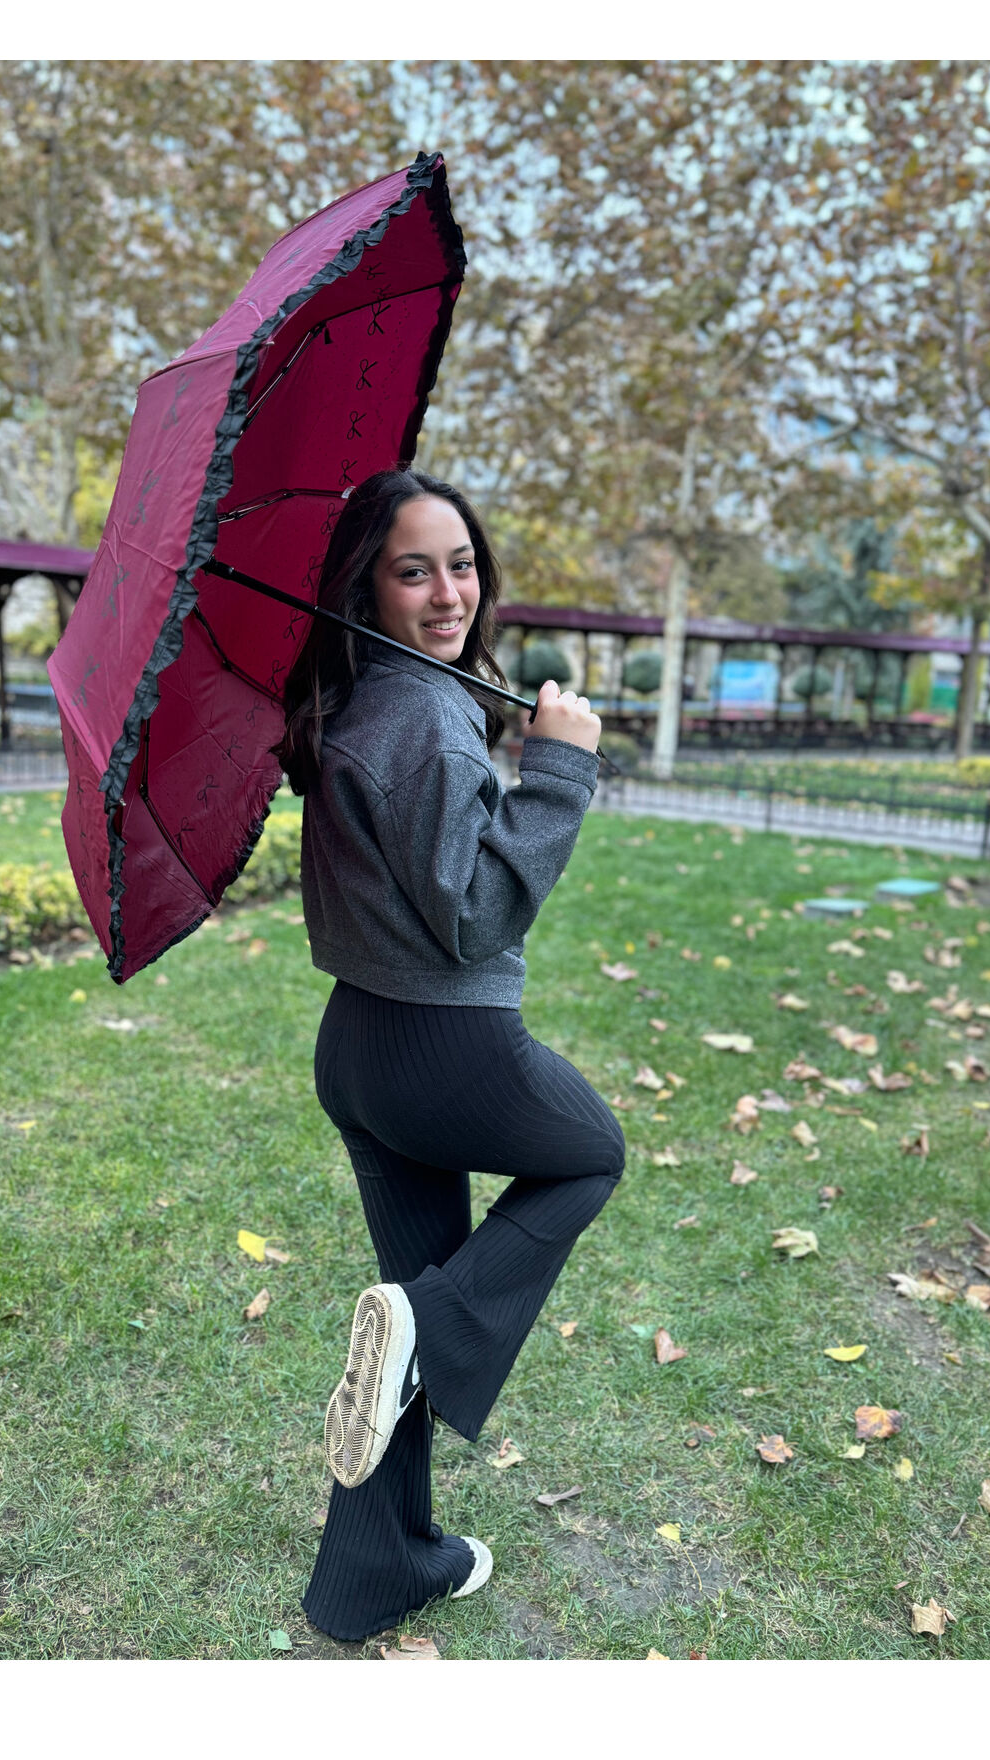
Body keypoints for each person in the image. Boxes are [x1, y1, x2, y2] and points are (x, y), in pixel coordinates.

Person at [274, 467, 626, 1644]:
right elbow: (476, 914)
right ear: (366, 588)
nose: (447, 594)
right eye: (413, 571)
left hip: (359, 1049)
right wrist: (560, 770)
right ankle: (429, 1329)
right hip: (443, 1048)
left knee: (401, 1339)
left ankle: (372, 1572)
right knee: (590, 1154)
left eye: (461, 565)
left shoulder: (361, 698)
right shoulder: (422, 715)